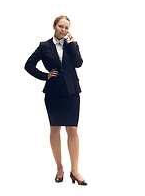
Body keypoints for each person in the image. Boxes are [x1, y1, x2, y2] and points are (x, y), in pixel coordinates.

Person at [24, 15, 87, 186]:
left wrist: (72, 44)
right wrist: (46, 76)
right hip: (53, 94)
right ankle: (59, 167)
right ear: (54, 26)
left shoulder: (71, 45)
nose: (63, 30)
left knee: (72, 130)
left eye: (66, 27)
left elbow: (78, 63)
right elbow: (28, 65)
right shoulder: (44, 46)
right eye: (61, 26)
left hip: (72, 92)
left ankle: (75, 170)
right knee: (55, 130)